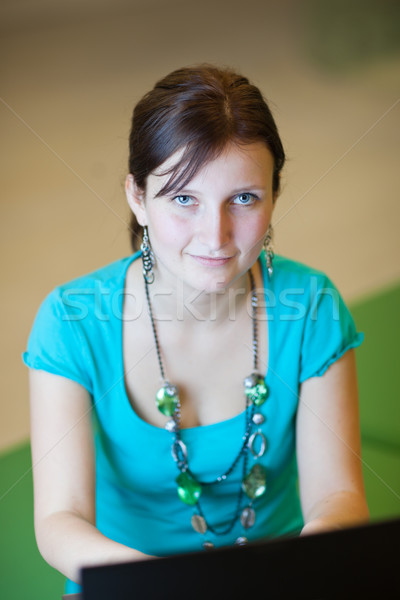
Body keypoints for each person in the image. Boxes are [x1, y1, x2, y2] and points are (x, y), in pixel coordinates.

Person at [22, 64, 369, 596]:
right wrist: (168, 587)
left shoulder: (313, 305)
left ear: (275, 196)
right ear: (138, 197)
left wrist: (301, 569)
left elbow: (337, 498)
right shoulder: (71, 320)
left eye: (244, 199)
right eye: (185, 199)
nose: (216, 236)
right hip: (130, 586)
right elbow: (59, 520)